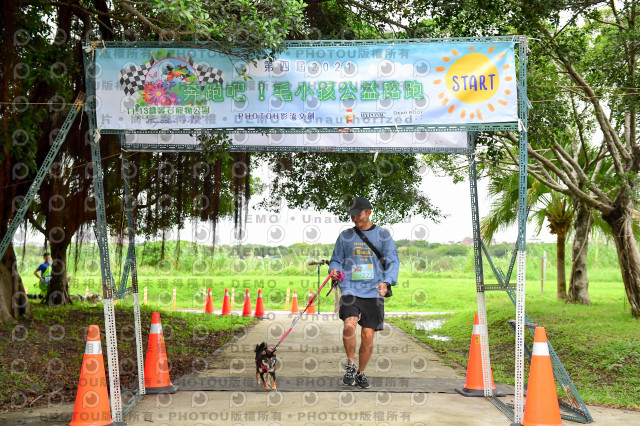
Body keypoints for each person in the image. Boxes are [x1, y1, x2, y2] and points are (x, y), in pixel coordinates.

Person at [329, 197, 399, 389]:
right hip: (350, 288)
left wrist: (387, 282)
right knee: (349, 326)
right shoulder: (345, 237)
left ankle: (361, 372)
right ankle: (351, 364)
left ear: (368, 212)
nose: (355, 219)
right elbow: (335, 260)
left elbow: (393, 261)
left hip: (374, 291)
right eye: (352, 215)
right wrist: (333, 271)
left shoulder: (383, 236)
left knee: (368, 335)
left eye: (358, 215)